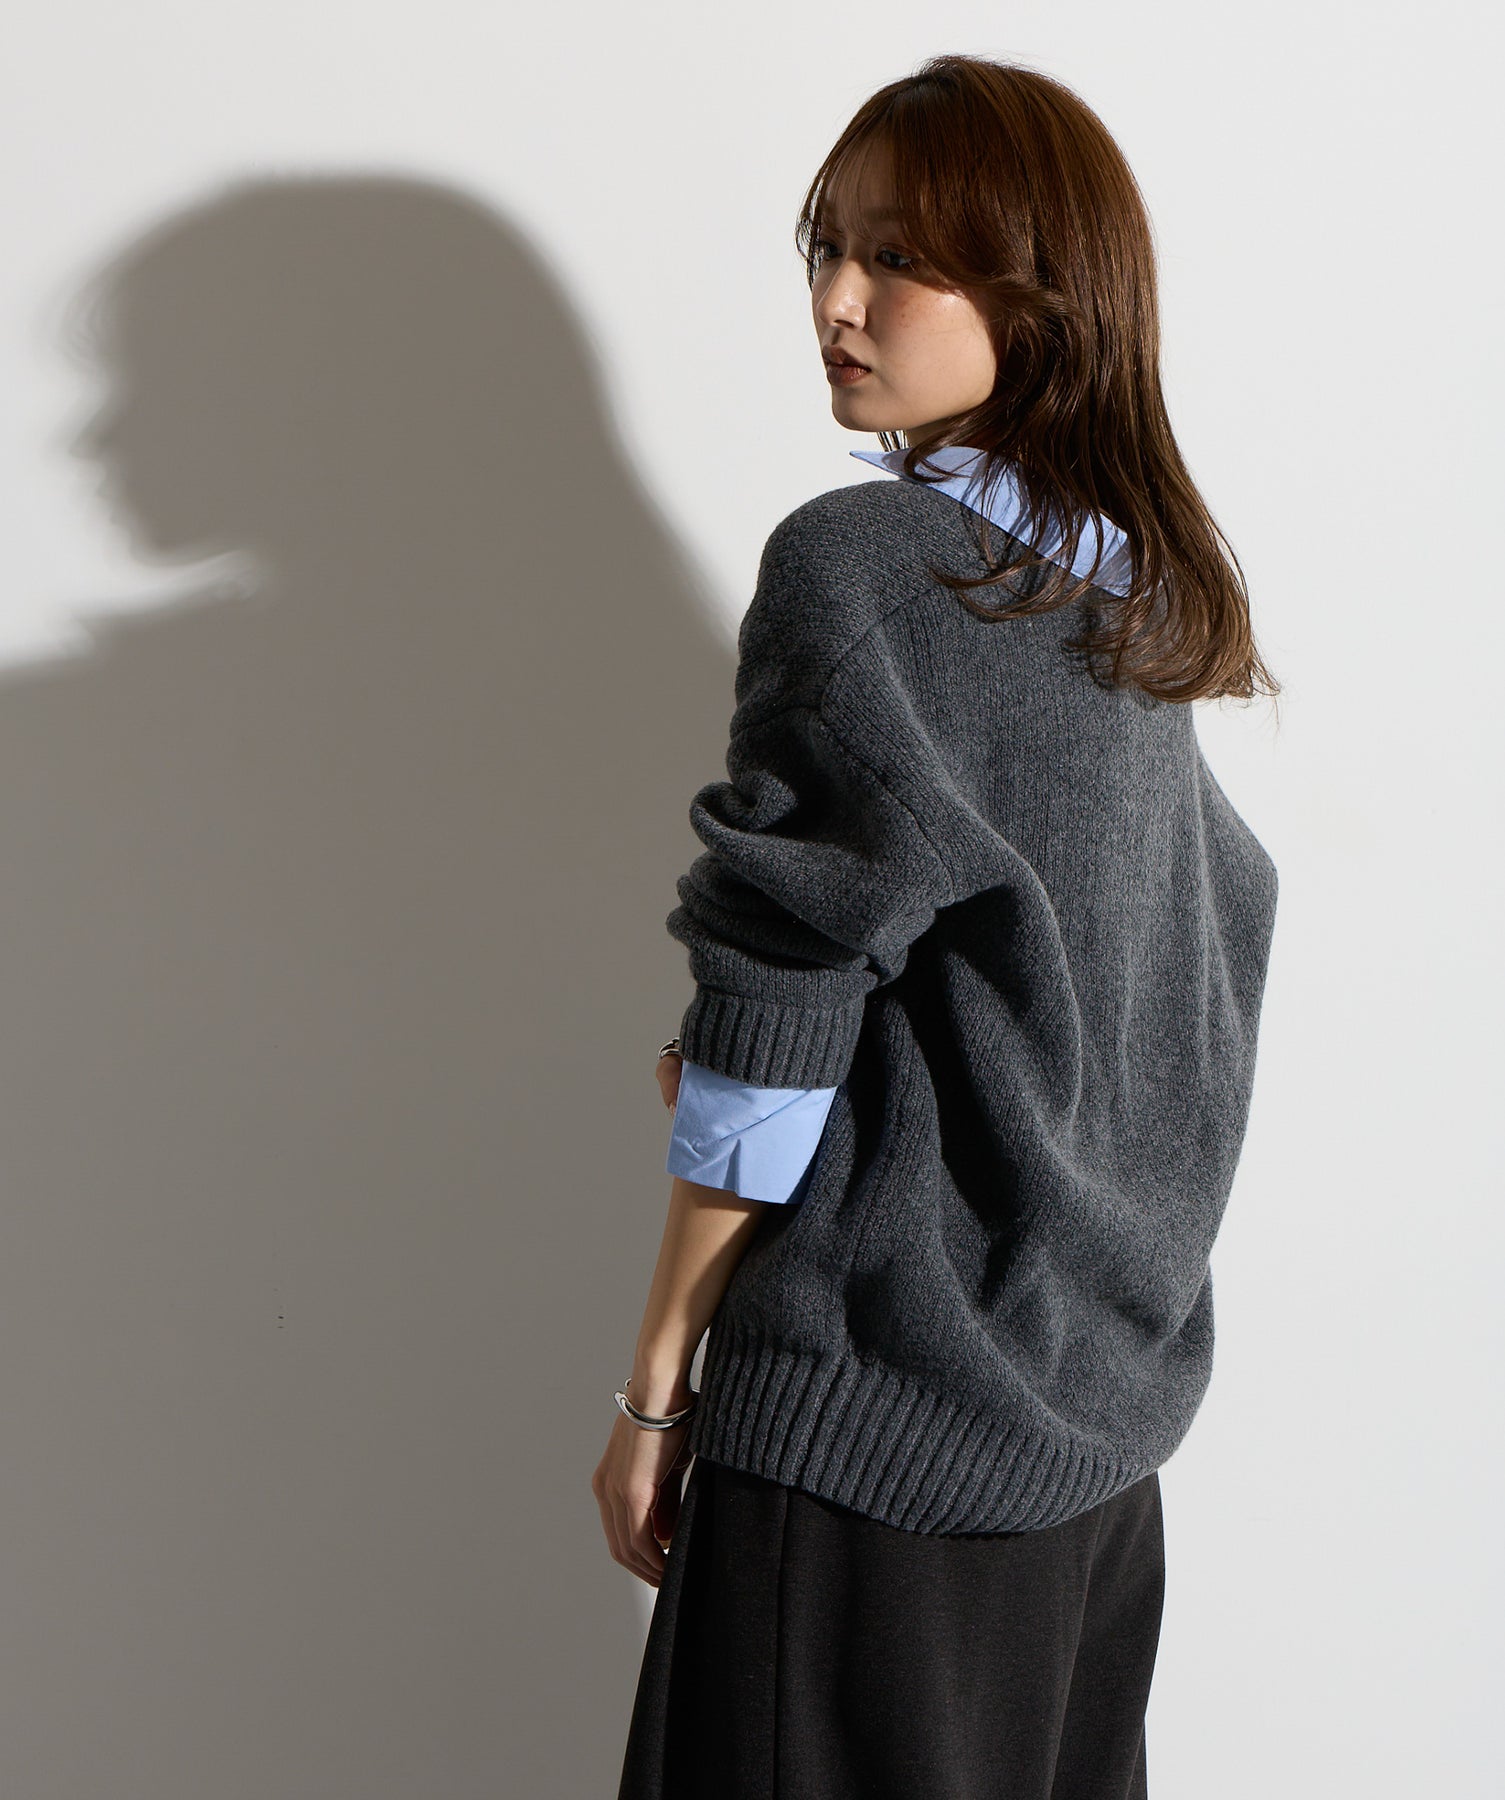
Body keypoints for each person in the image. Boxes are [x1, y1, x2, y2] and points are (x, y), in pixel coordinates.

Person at [595, 53, 1280, 1800]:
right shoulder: (1134, 599)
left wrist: (657, 1388)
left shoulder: (870, 569)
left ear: (1041, 294)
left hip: (870, 1449)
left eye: (898, 257)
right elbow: (1157, 991)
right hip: (1089, 1471)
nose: (837, 300)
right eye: (825, 246)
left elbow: (771, 1024)